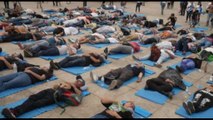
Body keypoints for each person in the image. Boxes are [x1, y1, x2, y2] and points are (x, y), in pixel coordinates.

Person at [1, 76, 85, 118]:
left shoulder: (77, 90)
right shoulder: (68, 83)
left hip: (55, 96)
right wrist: (60, 85)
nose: (77, 82)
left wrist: (73, 86)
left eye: (79, 82)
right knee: (32, 98)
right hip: (50, 91)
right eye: (77, 80)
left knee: (36, 104)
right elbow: (55, 86)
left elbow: (79, 94)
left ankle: (16, 112)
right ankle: (14, 110)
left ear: (81, 85)